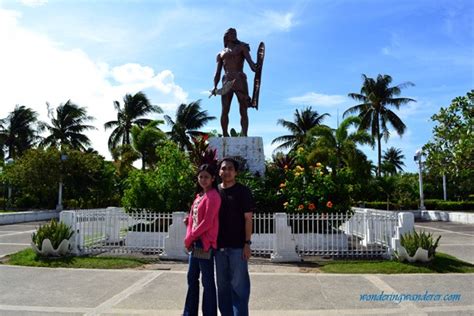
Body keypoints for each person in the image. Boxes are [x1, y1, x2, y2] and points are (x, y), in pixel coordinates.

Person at [215, 157, 255, 316]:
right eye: (223, 168)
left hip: (238, 247)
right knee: (223, 288)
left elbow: (248, 219)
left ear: (236, 172)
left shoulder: (243, 192)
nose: (226, 171)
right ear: (219, 171)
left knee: (239, 288)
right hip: (218, 248)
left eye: (230, 168)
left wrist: (247, 243)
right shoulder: (214, 191)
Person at [183, 164, 221, 316]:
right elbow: (193, 220)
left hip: (204, 244)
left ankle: (209, 313)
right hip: (195, 243)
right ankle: (189, 312)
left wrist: (190, 237)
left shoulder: (213, 196)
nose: (203, 180)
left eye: (206, 177)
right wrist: (189, 236)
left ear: (213, 178)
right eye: (201, 176)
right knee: (192, 278)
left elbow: (208, 222)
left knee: (207, 281)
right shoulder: (199, 196)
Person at [212, 28, 258, 137]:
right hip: (226, 81)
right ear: (226, 36)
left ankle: (244, 134)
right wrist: (215, 86)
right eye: (231, 33)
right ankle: (225, 134)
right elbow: (217, 72)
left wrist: (256, 66)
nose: (234, 35)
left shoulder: (242, 47)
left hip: (240, 79)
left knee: (243, 109)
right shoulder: (221, 54)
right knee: (225, 109)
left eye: (235, 33)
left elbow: (251, 65)